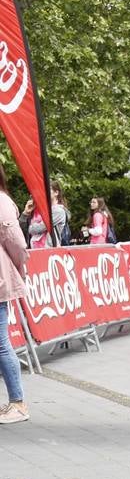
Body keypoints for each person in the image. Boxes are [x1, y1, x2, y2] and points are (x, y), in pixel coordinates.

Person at [0, 166, 30, 425]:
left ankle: (18, 403)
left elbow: (18, 244)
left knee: (1, 343)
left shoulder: (1, 202)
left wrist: (18, 269)